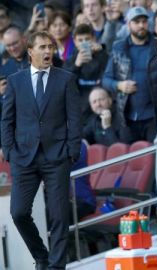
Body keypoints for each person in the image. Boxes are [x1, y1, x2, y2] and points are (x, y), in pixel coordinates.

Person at [1, 31, 81, 270]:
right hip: (23, 158)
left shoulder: (65, 79)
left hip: (57, 157)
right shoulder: (15, 81)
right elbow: (6, 120)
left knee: (58, 217)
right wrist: (9, 150)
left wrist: (72, 151)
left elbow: (74, 118)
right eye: (43, 47)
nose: (48, 52)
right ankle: (42, 256)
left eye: (51, 47)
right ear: (30, 52)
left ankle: (56, 267)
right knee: (19, 213)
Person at [102, 6, 157, 142]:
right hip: (127, 118)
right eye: (136, 22)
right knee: (130, 159)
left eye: (144, 22)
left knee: (155, 159)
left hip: (154, 116)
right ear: (128, 24)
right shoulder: (118, 48)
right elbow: (105, 79)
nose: (141, 25)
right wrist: (119, 85)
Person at [63, 23, 109, 121]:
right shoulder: (70, 61)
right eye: (80, 40)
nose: (84, 43)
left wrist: (101, 52)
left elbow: (108, 78)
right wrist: (76, 65)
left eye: (87, 39)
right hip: (81, 110)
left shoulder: (103, 56)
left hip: (101, 106)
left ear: (93, 39)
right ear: (74, 41)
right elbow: (65, 85)